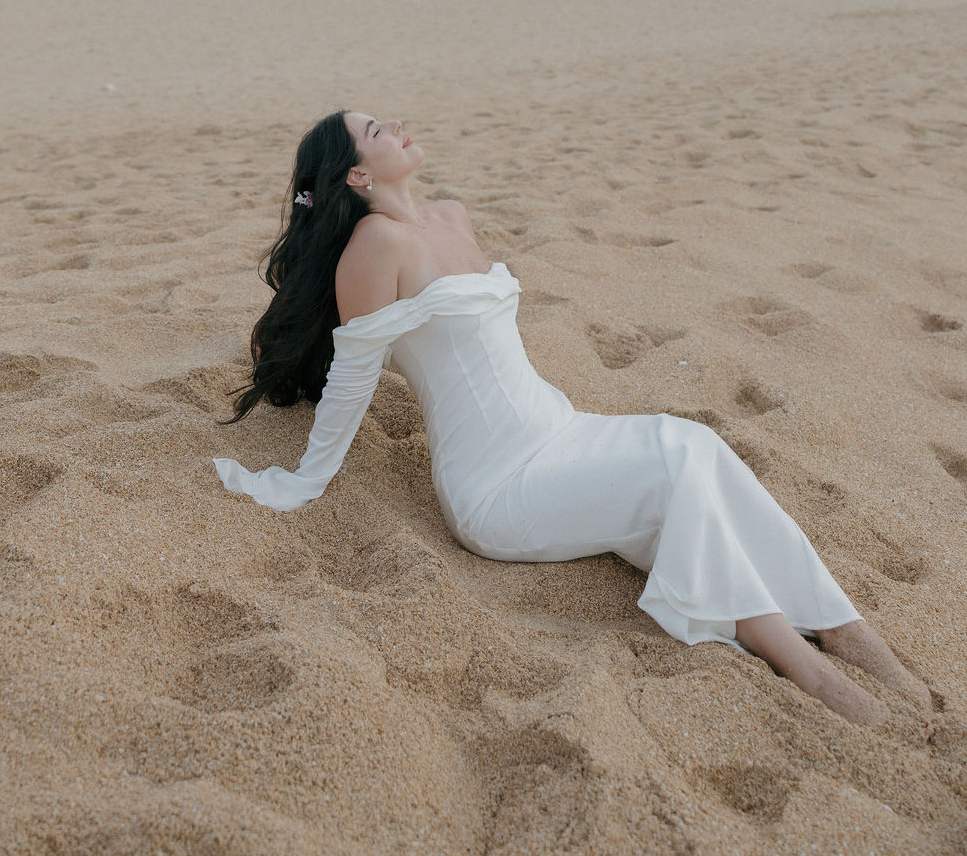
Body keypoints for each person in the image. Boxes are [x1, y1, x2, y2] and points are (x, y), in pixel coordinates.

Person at [215, 110, 934, 729]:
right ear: (358, 178)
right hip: (495, 485)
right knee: (675, 469)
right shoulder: (376, 248)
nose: (397, 126)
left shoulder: (451, 217)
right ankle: (805, 665)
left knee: (700, 446)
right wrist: (306, 478)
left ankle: (845, 628)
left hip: (558, 427)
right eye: (376, 131)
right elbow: (353, 373)